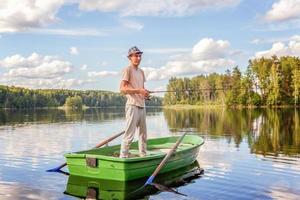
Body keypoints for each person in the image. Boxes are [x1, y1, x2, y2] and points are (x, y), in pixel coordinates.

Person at [119, 46, 150, 158]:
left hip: (142, 106)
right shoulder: (127, 70)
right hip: (132, 106)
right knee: (129, 135)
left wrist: (145, 94)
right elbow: (122, 89)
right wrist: (138, 90)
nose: (138, 57)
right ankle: (123, 157)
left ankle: (143, 156)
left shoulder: (141, 72)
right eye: (135, 55)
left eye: (139, 55)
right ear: (130, 57)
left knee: (143, 135)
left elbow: (141, 88)